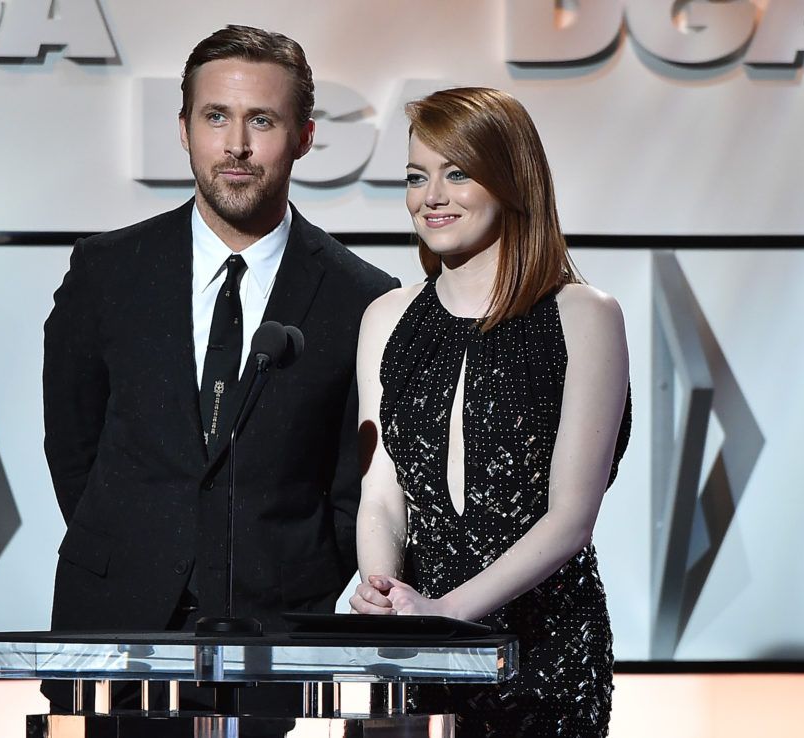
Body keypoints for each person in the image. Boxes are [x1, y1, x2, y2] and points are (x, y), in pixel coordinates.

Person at [41, 25, 396, 708]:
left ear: (304, 136)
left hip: (283, 638)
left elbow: (355, 484)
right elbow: (72, 444)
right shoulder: (107, 272)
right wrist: (135, 544)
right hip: (114, 621)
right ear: (183, 128)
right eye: (215, 117)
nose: (235, 145)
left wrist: (310, 589)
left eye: (261, 120)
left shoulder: (363, 298)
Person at [350, 87, 632, 737]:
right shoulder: (386, 319)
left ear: (510, 182)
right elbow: (381, 498)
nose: (432, 196)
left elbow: (570, 520)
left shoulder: (585, 317)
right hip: (419, 658)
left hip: (546, 660)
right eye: (417, 177)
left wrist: (445, 612)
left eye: (457, 172)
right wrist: (383, 591)